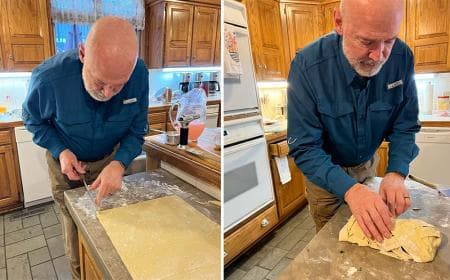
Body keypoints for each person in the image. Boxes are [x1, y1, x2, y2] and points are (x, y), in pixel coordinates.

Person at [22, 16, 149, 279]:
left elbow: (138, 130)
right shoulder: (48, 79)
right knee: (76, 232)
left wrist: (119, 162)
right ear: (82, 53)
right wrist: (61, 151)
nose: (107, 93)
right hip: (66, 167)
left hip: (110, 162)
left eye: (119, 86)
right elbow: (33, 120)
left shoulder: (138, 75)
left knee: (112, 230)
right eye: (100, 81)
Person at [287, 0, 420, 243]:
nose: (379, 56)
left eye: (389, 40)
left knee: (374, 239)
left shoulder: (402, 58)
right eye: (367, 42)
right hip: (325, 177)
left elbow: (405, 124)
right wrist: (350, 190)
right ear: (339, 22)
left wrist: (396, 173)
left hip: (367, 167)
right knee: (332, 245)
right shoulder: (307, 66)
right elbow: (305, 147)